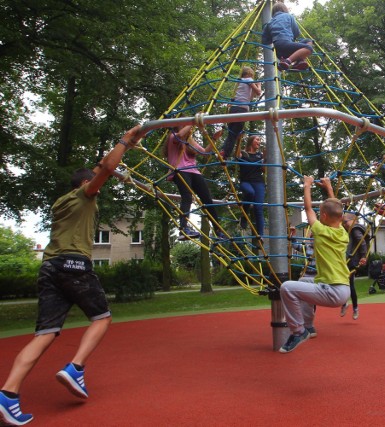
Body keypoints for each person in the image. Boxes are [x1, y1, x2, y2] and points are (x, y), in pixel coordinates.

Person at [0, 126, 145, 426]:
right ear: (86, 184)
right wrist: (123, 141)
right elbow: (105, 168)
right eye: (95, 182)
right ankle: (75, 367)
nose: (101, 185)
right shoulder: (86, 195)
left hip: (49, 267)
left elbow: (97, 168)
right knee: (102, 318)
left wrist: (126, 149)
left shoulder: (61, 202)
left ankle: (8, 395)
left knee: (45, 333)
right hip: (73, 265)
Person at [278, 177, 350, 353]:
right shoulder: (342, 232)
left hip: (332, 291)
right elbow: (336, 208)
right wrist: (329, 188)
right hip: (341, 288)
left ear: (323, 216)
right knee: (303, 283)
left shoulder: (320, 230)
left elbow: (308, 208)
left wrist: (307, 185)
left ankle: (298, 331)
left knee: (287, 288)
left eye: (321, 213)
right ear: (340, 217)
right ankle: (308, 326)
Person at [164, 125, 224, 240]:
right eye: (187, 126)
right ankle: (183, 229)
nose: (190, 129)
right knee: (187, 197)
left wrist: (214, 139)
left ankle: (218, 230)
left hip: (194, 171)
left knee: (207, 199)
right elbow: (181, 135)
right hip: (179, 170)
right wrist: (192, 122)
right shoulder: (173, 137)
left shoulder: (190, 141)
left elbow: (205, 152)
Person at [220, 66, 262, 159]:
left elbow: (250, 98)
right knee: (234, 134)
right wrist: (259, 84)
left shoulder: (241, 82)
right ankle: (224, 153)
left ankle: (224, 152)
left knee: (232, 134)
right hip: (241, 110)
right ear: (249, 74)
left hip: (234, 109)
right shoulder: (249, 79)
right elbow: (259, 92)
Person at [261, 2, 314, 71]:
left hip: (279, 52)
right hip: (287, 44)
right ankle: (288, 61)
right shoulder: (288, 16)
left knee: (307, 41)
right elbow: (296, 33)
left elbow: (265, 41)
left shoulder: (269, 23)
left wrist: (273, 36)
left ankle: (298, 61)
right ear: (285, 9)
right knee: (309, 47)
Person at [340, 213, 369, 319]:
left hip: (352, 261)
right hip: (347, 260)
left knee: (349, 283)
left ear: (354, 220)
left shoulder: (355, 229)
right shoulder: (349, 230)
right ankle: (346, 304)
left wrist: (363, 256)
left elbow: (362, 243)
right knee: (343, 282)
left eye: (345, 222)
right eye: (343, 222)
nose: (344, 224)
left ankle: (354, 307)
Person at [237, 135, 265, 237]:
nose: (259, 141)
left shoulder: (260, 156)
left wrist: (265, 159)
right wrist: (239, 140)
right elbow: (236, 155)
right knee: (250, 193)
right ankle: (244, 217)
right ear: (251, 141)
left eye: (260, 140)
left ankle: (260, 235)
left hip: (258, 182)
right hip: (246, 182)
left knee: (258, 207)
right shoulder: (243, 154)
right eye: (257, 139)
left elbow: (264, 170)